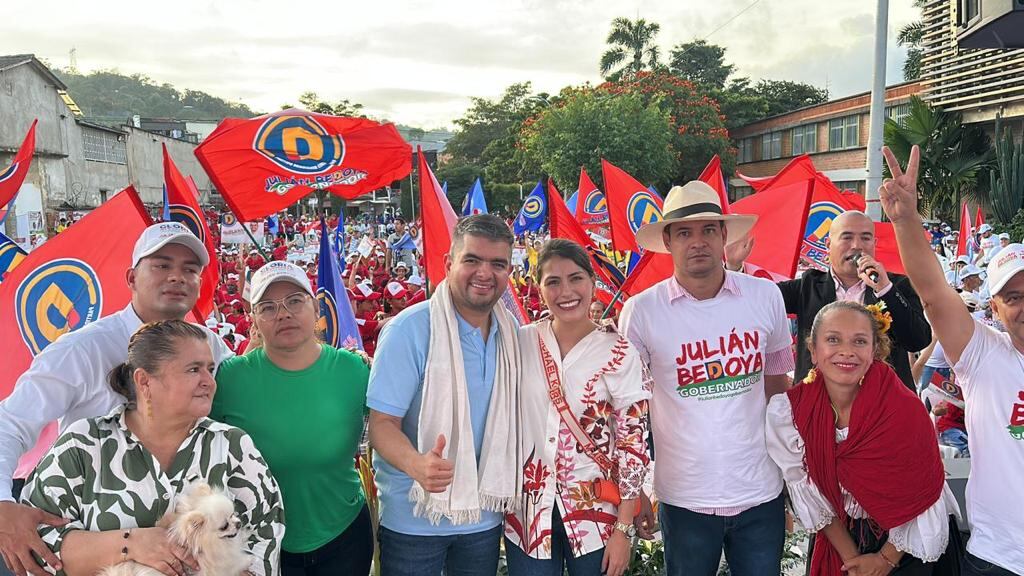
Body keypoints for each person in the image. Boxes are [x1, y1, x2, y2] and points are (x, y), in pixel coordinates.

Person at [0, 222, 233, 576]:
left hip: (174, 547)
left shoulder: (210, 345)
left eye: (190, 269)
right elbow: (10, 423)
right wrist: (3, 505)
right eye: (162, 265)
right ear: (131, 278)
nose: (177, 277)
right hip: (91, 545)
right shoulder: (83, 349)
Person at [619, 182, 793, 576]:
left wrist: (791, 479)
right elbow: (631, 412)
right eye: (684, 232)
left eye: (708, 230)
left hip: (760, 491)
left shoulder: (765, 297)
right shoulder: (641, 312)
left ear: (724, 235)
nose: (697, 242)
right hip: (684, 496)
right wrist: (638, 490)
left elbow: (778, 391)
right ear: (668, 240)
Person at [20, 320, 284, 576]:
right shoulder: (82, 444)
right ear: (144, 381)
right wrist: (131, 544)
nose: (209, 381)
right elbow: (40, 547)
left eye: (210, 369)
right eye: (194, 369)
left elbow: (266, 536)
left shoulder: (232, 445)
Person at [880, 145, 1024, 575]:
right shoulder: (983, 355)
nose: (1023, 306)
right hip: (1002, 556)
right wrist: (906, 220)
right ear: (993, 309)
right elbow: (933, 294)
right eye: (1012, 297)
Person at [367, 214, 521, 576]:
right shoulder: (409, 330)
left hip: (483, 517)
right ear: (449, 264)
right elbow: (381, 425)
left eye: (497, 264)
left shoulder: (511, 331)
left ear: (509, 272)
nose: (485, 273)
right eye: (472, 260)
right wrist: (417, 465)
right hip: (415, 518)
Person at [766, 301, 960, 575]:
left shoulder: (903, 408)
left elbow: (924, 493)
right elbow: (811, 494)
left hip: (909, 541)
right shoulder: (789, 414)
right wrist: (852, 560)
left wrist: (885, 560)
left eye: (859, 341)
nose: (846, 351)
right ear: (812, 350)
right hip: (842, 540)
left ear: (874, 351)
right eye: (833, 339)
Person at [210, 261, 373, 576]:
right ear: (253, 319)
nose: (283, 313)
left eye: (295, 301)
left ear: (315, 308)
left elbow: (385, 434)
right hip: (259, 544)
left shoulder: (355, 371)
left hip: (344, 533)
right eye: (268, 307)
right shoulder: (228, 379)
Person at [504, 239, 651, 576]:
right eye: (552, 281)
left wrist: (623, 530)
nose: (565, 290)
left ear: (593, 283)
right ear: (539, 288)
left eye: (576, 278)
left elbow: (633, 444)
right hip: (527, 512)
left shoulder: (619, 351)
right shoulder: (520, 342)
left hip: (596, 516)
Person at [728, 209, 932, 391]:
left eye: (866, 238)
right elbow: (754, 302)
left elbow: (918, 340)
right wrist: (733, 268)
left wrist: (884, 289)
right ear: (828, 245)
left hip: (884, 406)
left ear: (874, 244)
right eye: (847, 237)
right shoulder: (807, 286)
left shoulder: (896, 286)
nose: (857, 246)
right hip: (817, 406)